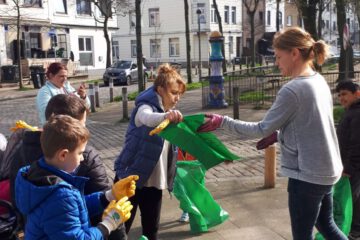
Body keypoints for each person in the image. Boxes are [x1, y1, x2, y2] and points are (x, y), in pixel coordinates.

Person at [197, 27, 347, 240]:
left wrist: (222, 121)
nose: (276, 62)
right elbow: (310, 125)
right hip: (327, 170)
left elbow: (260, 129)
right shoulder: (318, 80)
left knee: (303, 236)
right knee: (327, 225)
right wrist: (279, 134)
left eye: (278, 56)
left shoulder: (293, 89)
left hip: (307, 176)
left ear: (294, 53)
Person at [10, 94, 134, 239]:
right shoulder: (59, 194)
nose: (83, 158)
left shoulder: (38, 175)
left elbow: (74, 207)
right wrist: (109, 223)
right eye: (80, 153)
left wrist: (109, 195)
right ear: (63, 155)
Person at [114, 63, 186, 240]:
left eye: (179, 94)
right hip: (131, 177)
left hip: (154, 181)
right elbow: (148, 119)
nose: (177, 98)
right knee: (119, 229)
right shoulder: (144, 107)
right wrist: (165, 117)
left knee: (151, 230)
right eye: (174, 93)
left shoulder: (168, 110)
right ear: (160, 90)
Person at [335, 80, 360, 240]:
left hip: (352, 168)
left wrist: (348, 168)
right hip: (349, 166)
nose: (341, 98)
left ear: (357, 94)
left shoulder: (357, 113)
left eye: (344, 94)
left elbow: (356, 143)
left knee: (353, 199)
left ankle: (355, 230)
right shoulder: (352, 111)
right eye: (339, 95)